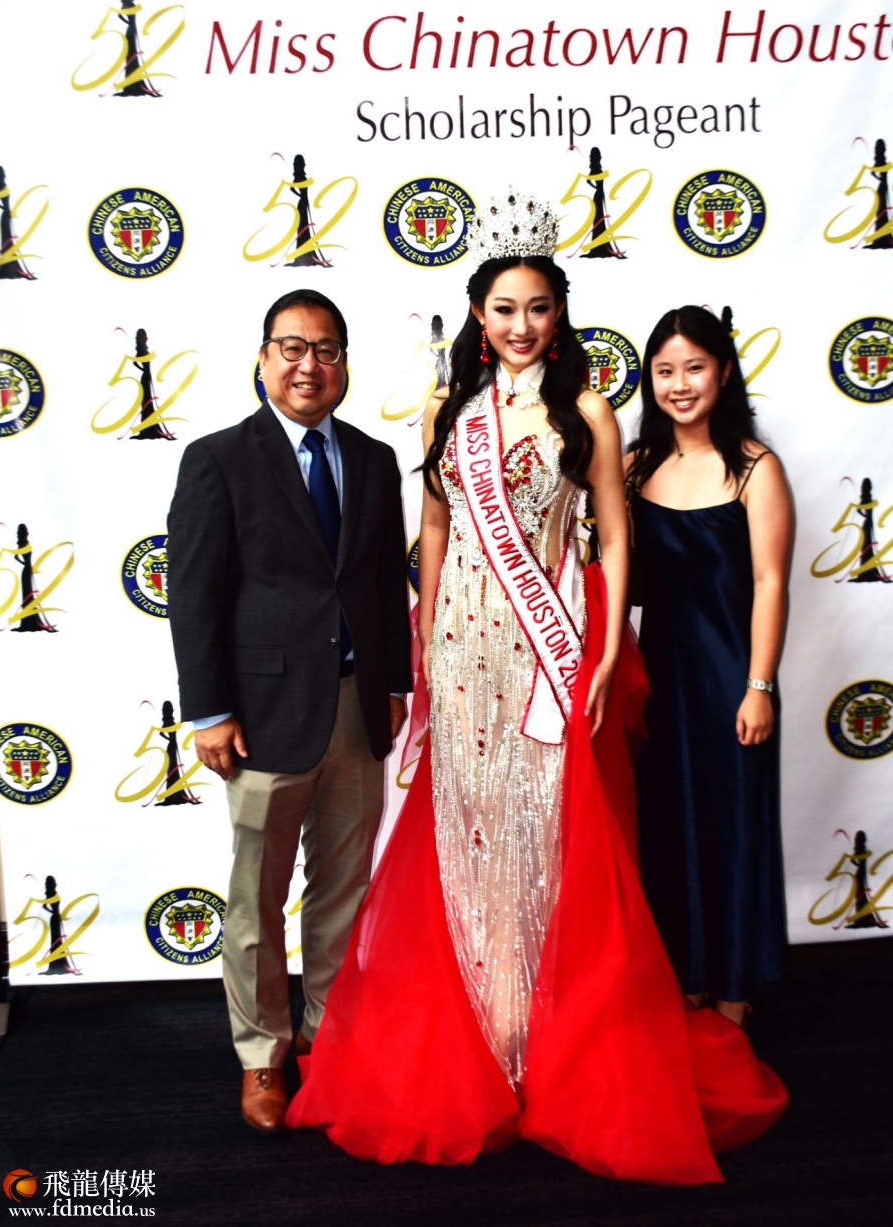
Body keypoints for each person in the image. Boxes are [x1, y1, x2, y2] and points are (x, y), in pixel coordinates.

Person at [287, 196, 787, 1183]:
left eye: (540, 308)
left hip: (550, 653)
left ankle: (545, 1035)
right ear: (481, 315)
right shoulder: (448, 413)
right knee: (465, 836)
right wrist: (426, 646)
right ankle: (482, 1032)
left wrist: (599, 657)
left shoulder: (588, 412)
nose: (523, 325)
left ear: (561, 316)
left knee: (550, 837)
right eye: (506, 308)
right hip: (463, 653)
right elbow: (434, 532)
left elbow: (615, 537)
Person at [167, 289, 412, 1133]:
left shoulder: (373, 459)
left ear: (344, 361)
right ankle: (261, 1054)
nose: (311, 365)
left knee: (342, 888)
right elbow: (194, 593)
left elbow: (380, 583)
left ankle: (327, 1032)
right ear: (264, 358)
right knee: (255, 901)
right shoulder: (217, 459)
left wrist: (393, 687)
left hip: (355, 708)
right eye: (293, 348)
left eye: (327, 349)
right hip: (262, 715)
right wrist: (208, 710)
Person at [627, 305, 794, 1030]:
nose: (679, 384)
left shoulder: (756, 467)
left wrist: (759, 686)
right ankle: (684, 979)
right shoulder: (635, 465)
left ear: (724, 371)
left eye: (694, 367)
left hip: (731, 677)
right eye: (665, 370)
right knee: (668, 828)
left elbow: (770, 583)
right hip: (657, 680)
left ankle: (732, 991)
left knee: (734, 829)